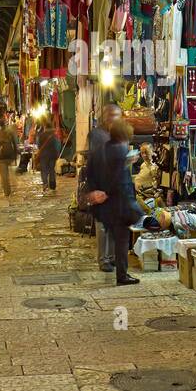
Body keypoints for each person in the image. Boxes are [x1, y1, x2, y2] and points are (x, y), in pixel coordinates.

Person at [91, 118, 142, 286]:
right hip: (119, 203)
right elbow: (118, 178)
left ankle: (112, 264)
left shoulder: (104, 149)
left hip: (107, 206)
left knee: (116, 237)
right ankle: (122, 275)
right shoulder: (121, 150)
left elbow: (97, 171)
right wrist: (108, 192)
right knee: (121, 241)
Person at [83, 104, 123, 273]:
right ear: (106, 116)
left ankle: (112, 257)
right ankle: (103, 260)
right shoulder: (97, 135)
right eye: (113, 115)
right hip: (101, 183)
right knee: (102, 225)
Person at [0, 116, 19, 198]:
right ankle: (10, 188)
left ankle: (7, 191)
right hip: (10, 155)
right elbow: (15, 143)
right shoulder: (10, 132)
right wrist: (15, 154)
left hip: (2, 157)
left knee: (4, 176)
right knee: (9, 173)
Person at [34, 122, 62, 193]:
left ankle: (45, 184)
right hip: (52, 155)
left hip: (43, 156)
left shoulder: (41, 135)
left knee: (44, 170)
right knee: (51, 169)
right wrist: (57, 153)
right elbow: (58, 145)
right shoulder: (54, 136)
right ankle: (52, 185)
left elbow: (38, 145)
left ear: (45, 127)